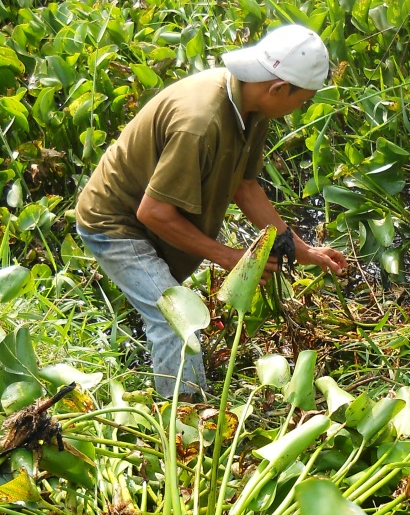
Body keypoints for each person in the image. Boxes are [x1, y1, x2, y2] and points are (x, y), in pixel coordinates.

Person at [76, 24, 347, 398]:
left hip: (153, 219)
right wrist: (230, 257)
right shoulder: (200, 124)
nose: (299, 110)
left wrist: (302, 250)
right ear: (279, 88)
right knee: (177, 322)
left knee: (163, 303)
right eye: (302, 101)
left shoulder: (252, 106)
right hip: (117, 225)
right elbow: (153, 212)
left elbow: (245, 187)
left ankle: (149, 359)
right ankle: (185, 425)